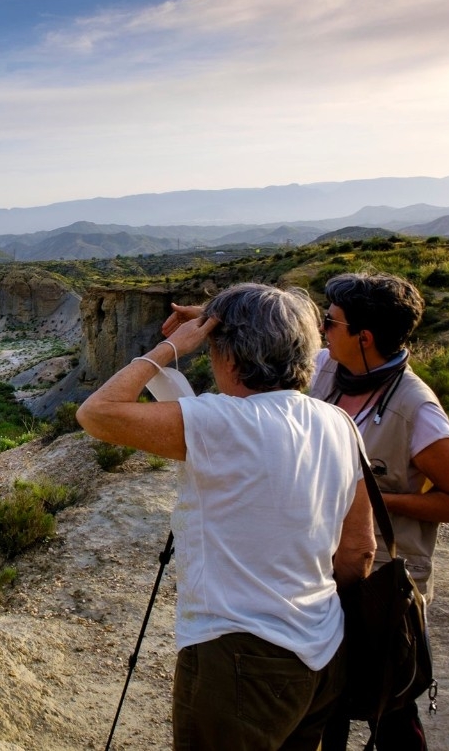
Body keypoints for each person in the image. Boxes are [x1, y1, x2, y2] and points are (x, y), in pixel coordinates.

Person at [163, 272, 449, 750]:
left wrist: (359, 491)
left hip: (375, 580)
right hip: (321, 576)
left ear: (365, 337)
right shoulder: (331, 368)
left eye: (330, 322)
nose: (321, 328)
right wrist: (219, 320)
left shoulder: (415, 409)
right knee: (322, 702)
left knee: (389, 703)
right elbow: (277, 339)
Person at [79, 283, 375, 751]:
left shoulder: (221, 422)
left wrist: (170, 348)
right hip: (323, 650)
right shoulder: (338, 423)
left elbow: (97, 412)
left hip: (238, 656)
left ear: (231, 356)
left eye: (215, 347)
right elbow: (360, 550)